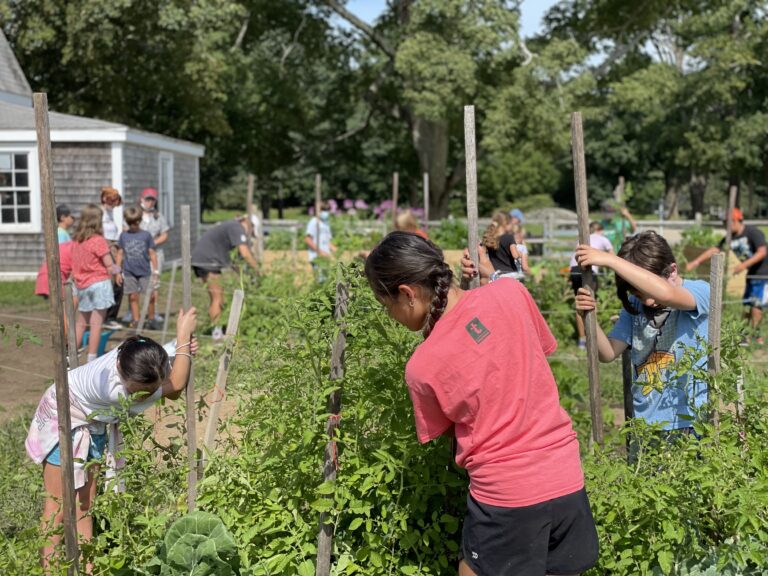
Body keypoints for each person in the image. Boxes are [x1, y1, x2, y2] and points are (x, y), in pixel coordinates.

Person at [365, 231, 598, 576]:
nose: (391, 316)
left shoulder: (423, 366)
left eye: (388, 306)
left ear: (407, 294)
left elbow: (448, 437)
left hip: (507, 495)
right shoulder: (513, 292)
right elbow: (534, 358)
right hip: (566, 475)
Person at [26, 308, 198, 571]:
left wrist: (176, 346)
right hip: (62, 417)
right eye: (140, 391)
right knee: (58, 506)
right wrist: (183, 337)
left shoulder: (134, 355)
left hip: (91, 421)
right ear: (120, 370)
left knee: (85, 502)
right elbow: (174, 387)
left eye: (150, 389)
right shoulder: (114, 391)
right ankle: (48, 570)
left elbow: (156, 359)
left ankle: (88, 568)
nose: (146, 395)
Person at [574, 231, 710, 436]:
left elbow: (666, 293)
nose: (646, 301)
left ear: (672, 271)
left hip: (689, 421)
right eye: (638, 293)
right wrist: (589, 316)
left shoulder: (700, 291)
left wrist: (610, 260)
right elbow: (607, 353)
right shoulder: (636, 306)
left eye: (648, 292)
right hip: (645, 422)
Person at [686, 207, 768, 344]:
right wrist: (696, 262)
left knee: (756, 305)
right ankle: (747, 334)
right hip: (752, 274)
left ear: (735, 220)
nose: (725, 226)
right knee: (747, 304)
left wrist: (743, 265)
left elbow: (762, 252)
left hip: (764, 274)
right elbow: (715, 249)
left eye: (726, 222)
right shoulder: (731, 237)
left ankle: (756, 336)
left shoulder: (753, 232)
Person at [71, 204, 123, 362]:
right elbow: (109, 264)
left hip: (83, 285)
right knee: (96, 324)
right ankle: (92, 358)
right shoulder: (98, 240)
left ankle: (71, 355)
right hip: (100, 284)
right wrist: (118, 270)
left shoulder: (77, 241)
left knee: (81, 323)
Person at [191, 216, 257, 337]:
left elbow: (235, 261)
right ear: (249, 224)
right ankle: (217, 335)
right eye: (251, 231)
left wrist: (244, 274)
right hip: (208, 261)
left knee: (216, 298)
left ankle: (217, 330)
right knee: (218, 299)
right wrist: (258, 271)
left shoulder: (229, 227)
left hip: (205, 259)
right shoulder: (237, 227)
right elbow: (245, 252)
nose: (249, 234)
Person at [569, 221, 614, 349]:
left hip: (574, 269)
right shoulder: (603, 239)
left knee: (580, 303)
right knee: (591, 302)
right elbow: (612, 258)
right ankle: (594, 338)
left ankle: (581, 340)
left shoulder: (582, 239)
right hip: (589, 271)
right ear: (600, 229)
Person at [117, 206, 158, 329]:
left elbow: (152, 253)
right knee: (133, 296)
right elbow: (120, 253)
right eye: (130, 223)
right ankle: (136, 320)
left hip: (145, 271)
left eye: (135, 223)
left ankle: (151, 319)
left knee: (150, 296)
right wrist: (118, 271)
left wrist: (156, 271)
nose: (133, 226)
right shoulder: (124, 236)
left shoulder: (146, 235)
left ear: (139, 221)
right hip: (130, 271)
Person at [139, 187, 170, 328]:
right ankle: (134, 312)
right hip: (137, 253)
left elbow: (164, 234)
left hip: (155, 254)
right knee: (136, 282)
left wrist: (152, 243)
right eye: (147, 199)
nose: (150, 202)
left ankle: (154, 312)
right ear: (142, 199)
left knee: (154, 283)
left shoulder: (158, 216)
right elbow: (126, 229)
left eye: (152, 199)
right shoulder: (136, 214)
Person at [101, 187, 125, 330]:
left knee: (119, 280)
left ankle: (111, 316)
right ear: (105, 198)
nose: (115, 203)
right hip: (106, 248)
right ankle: (106, 316)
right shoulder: (100, 213)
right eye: (113, 199)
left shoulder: (110, 212)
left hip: (115, 248)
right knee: (112, 281)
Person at [481, 211, 522, 280]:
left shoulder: (489, 238)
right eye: (510, 223)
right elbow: (515, 255)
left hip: (495, 275)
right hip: (510, 274)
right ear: (505, 224)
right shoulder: (509, 237)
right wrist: (519, 254)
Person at [305, 202, 337, 282]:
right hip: (317, 257)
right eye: (323, 210)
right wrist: (320, 252)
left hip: (325, 257)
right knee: (320, 282)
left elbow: (327, 241)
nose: (326, 212)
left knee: (326, 281)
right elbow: (308, 239)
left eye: (327, 210)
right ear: (318, 211)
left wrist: (336, 250)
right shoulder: (314, 221)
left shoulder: (326, 223)